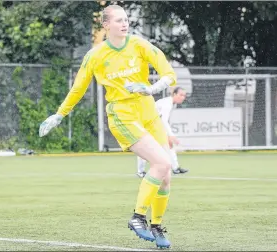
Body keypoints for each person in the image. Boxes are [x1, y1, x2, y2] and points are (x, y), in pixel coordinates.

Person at [39, 4, 176, 249]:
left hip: (147, 111)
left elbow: (168, 73)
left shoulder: (139, 44)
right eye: (118, 20)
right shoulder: (95, 55)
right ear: (106, 25)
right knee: (163, 163)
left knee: (166, 177)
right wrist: (59, 115)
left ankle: (156, 226)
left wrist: (151, 88)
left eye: (126, 20)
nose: (124, 24)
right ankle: (137, 218)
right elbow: (78, 88)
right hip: (122, 114)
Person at [136, 87, 189, 178]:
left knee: (169, 145)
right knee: (144, 147)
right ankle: (140, 171)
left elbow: (162, 120)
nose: (183, 97)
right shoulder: (167, 104)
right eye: (180, 95)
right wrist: (171, 135)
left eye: (184, 95)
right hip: (147, 125)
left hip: (155, 125)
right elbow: (163, 121)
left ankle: (175, 168)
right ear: (174, 94)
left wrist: (169, 135)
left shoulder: (172, 103)